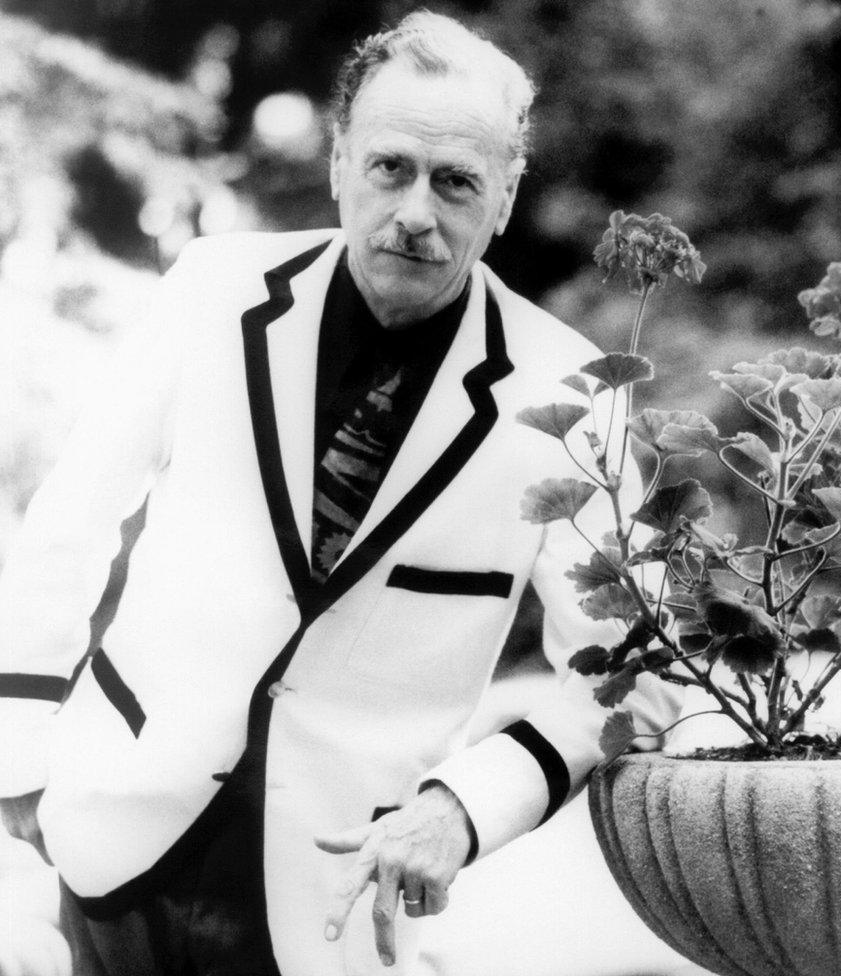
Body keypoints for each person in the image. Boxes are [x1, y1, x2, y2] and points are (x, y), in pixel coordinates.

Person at [0, 12, 681, 975]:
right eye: (390, 167)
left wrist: (465, 808)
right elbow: (69, 521)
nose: (414, 211)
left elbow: (629, 679)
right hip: (113, 832)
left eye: (455, 182)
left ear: (506, 198)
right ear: (338, 164)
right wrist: (17, 748)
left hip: (335, 893)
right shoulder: (209, 290)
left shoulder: (572, 397)